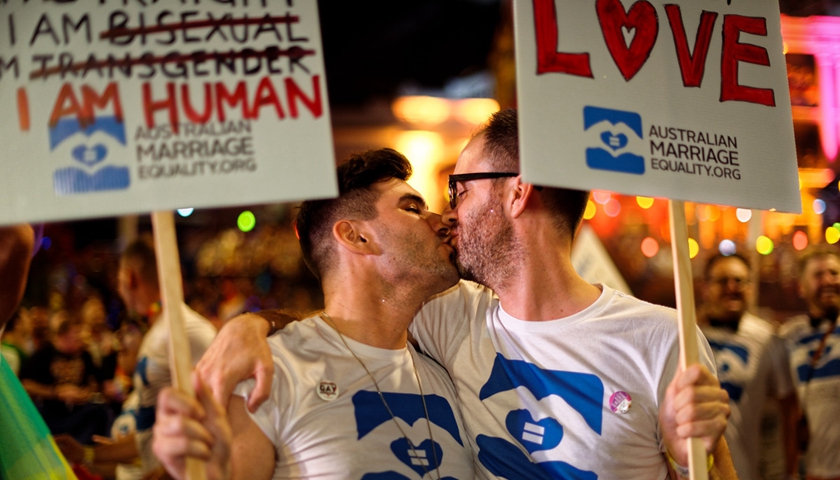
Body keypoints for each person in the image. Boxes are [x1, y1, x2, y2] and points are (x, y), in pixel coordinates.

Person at [195, 110, 735, 479]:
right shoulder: (452, 318)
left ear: (518, 192)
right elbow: (353, 318)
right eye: (422, 204)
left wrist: (691, 457)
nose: (448, 214)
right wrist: (251, 326)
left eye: (460, 190)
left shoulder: (661, 338)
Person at [153, 149, 474, 479]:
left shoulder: (446, 363)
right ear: (356, 237)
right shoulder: (269, 374)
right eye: (412, 209)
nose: (443, 220)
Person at [55, 236, 217, 478]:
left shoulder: (188, 331)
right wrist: (86, 453)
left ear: (130, 277)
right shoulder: (159, 333)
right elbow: (148, 434)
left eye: (119, 280)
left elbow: (211, 419)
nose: (119, 289)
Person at [698, 253, 798, 480]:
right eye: (723, 281)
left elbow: (788, 411)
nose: (732, 287)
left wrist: (789, 470)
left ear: (751, 288)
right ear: (706, 288)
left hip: (743, 470)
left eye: (739, 281)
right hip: (690, 470)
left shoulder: (766, 339)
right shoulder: (685, 333)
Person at [779, 246, 840, 480]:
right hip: (813, 470)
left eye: (834, 273)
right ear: (801, 287)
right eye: (818, 275)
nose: (828, 280)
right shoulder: (789, 336)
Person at [20, 316, 111, 445]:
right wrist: (56, 393)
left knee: (101, 412)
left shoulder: (85, 355)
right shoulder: (44, 354)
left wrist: (87, 392)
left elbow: (98, 382)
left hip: (79, 413)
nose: (81, 340)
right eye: (76, 336)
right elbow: (26, 385)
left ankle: (87, 451)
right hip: (51, 413)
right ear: (63, 336)